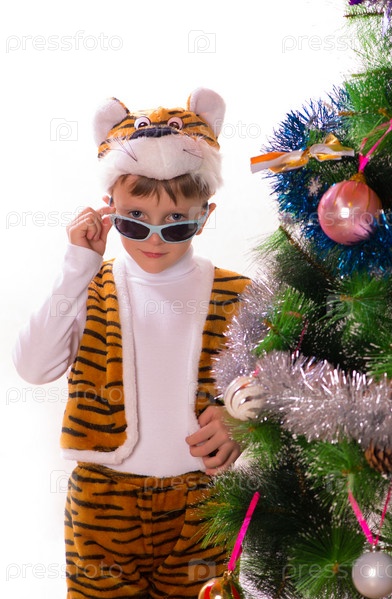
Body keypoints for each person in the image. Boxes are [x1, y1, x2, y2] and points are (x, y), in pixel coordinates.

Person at [13, 88, 251, 598]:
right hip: (103, 501)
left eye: (177, 223)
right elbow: (33, 367)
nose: (154, 239)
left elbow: (283, 381)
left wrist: (244, 421)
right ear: (109, 210)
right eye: (133, 220)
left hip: (201, 502)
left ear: (206, 215)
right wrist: (77, 266)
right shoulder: (89, 286)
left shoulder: (239, 295)